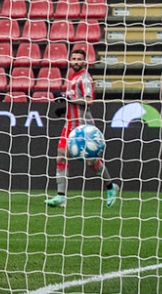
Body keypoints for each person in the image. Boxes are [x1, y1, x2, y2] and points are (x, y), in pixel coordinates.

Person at [45, 49, 118, 208]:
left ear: (84, 62)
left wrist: (67, 98)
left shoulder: (85, 78)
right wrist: (65, 107)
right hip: (69, 125)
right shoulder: (72, 78)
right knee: (61, 157)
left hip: (84, 127)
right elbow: (74, 99)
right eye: (74, 58)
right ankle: (61, 196)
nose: (76, 61)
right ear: (70, 61)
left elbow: (88, 101)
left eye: (79, 59)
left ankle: (111, 186)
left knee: (92, 163)